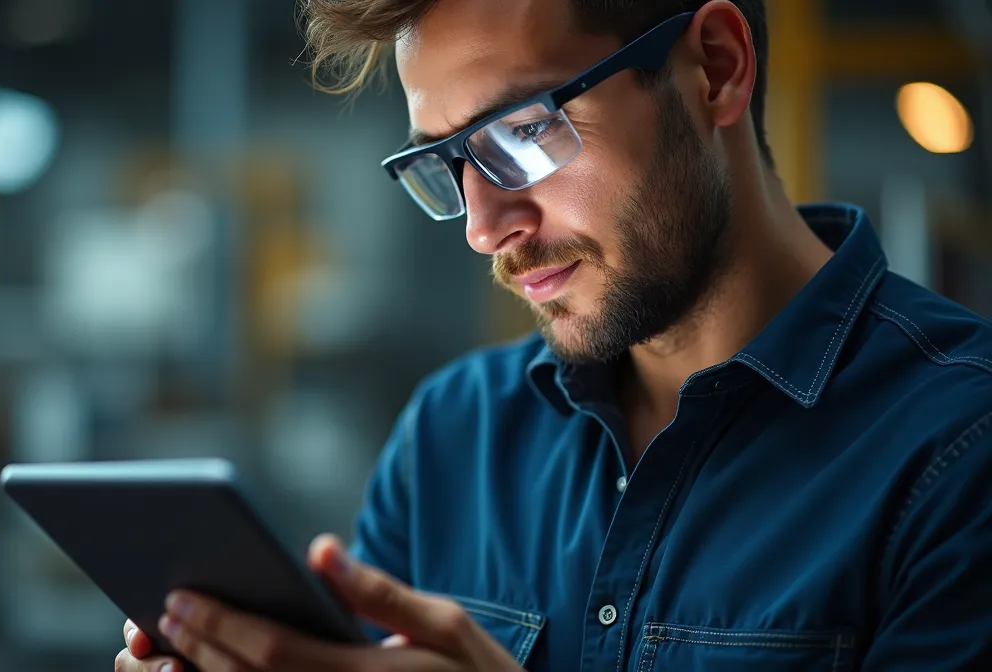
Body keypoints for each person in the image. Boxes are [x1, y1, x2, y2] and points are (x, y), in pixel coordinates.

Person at [116, 0, 992, 669]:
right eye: (444, 163)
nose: (483, 225)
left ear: (716, 71)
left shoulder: (960, 449)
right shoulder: (453, 434)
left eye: (524, 131)